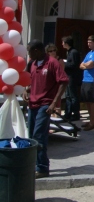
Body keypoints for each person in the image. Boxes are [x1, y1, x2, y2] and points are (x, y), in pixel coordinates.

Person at [23, 40, 68, 179]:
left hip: (45, 104)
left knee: (39, 135)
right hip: (33, 104)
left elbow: (63, 81)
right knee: (31, 136)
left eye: (30, 51)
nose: (29, 54)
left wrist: (54, 103)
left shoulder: (52, 63)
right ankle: (34, 164)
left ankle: (42, 167)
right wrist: (27, 90)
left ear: (36, 51)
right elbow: (33, 80)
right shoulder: (33, 64)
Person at [79, 35, 94, 131]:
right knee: (87, 101)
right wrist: (85, 65)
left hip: (92, 80)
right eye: (87, 42)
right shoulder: (89, 53)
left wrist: (85, 65)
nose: (88, 44)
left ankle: (92, 121)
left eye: (90, 42)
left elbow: (91, 65)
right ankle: (91, 120)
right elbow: (81, 65)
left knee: (91, 102)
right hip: (85, 80)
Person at [62, 36, 82, 121]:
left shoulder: (73, 52)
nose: (62, 44)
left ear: (66, 43)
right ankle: (68, 113)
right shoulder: (69, 52)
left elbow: (74, 64)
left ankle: (75, 113)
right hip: (68, 76)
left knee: (73, 96)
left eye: (63, 42)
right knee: (68, 96)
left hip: (72, 77)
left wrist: (63, 64)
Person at [45, 43, 65, 117]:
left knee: (57, 101)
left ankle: (57, 117)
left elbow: (62, 73)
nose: (53, 52)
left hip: (57, 83)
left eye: (54, 50)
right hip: (48, 83)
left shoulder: (59, 60)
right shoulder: (46, 60)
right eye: (50, 51)